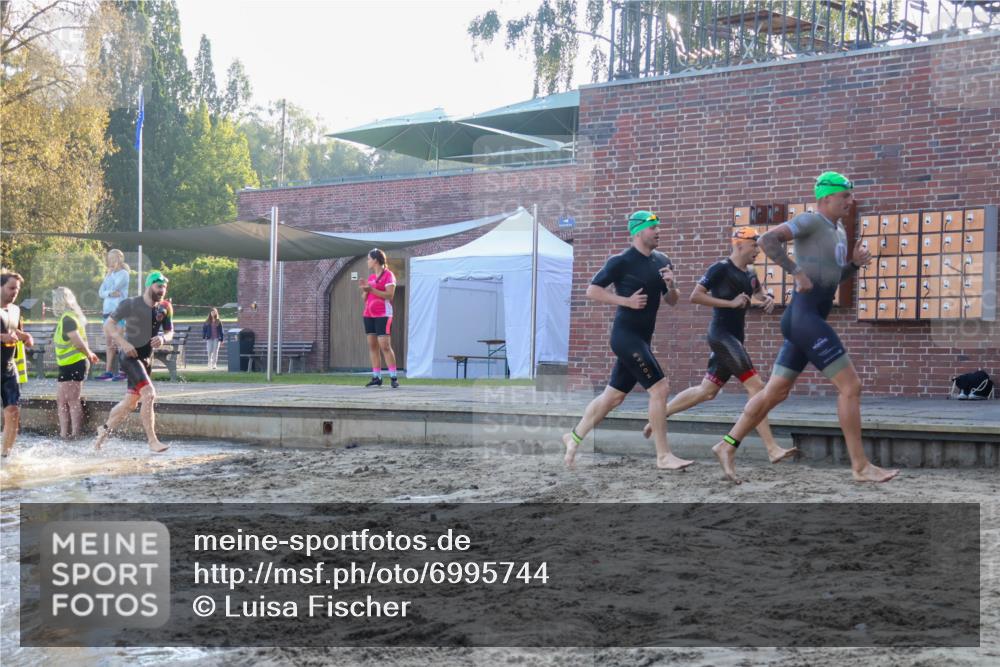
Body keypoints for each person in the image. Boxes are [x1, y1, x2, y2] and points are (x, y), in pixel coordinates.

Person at [711, 172, 899, 483]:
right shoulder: (810, 220)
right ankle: (860, 466)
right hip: (804, 318)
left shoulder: (838, 230)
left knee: (775, 392)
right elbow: (767, 240)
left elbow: (829, 279)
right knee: (850, 387)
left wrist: (853, 265)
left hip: (806, 319)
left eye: (850, 196)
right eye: (845, 196)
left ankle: (726, 445)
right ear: (826, 197)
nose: (850, 201)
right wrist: (796, 272)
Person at [640, 227, 798, 464]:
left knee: (707, 391)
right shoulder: (720, 268)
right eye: (754, 245)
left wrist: (766, 299)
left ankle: (657, 418)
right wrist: (730, 303)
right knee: (757, 387)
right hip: (721, 336)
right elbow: (695, 296)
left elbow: (758, 292)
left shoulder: (751, 272)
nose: (758, 250)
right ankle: (771, 448)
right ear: (739, 245)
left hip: (736, 337)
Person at [562, 210, 692, 470]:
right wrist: (626, 301)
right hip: (625, 337)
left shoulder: (663, 260)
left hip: (643, 337)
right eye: (653, 227)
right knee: (660, 388)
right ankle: (663, 456)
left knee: (613, 397)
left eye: (658, 226)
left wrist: (671, 286)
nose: (658, 231)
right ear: (638, 231)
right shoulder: (621, 261)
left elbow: (672, 301)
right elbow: (592, 290)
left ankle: (573, 437)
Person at [93, 271, 173, 453]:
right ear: (149, 285)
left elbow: (170, 332)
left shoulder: (165, 307)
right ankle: (152, 441)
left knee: (130, 403)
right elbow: (108, 325)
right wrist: (123, 343)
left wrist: (163, 338)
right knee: (149, 394)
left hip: (147, 359)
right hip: (130, 357)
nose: (162, 290)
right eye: (159, 286)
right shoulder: (130, 304)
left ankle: (103, 431)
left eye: (164, 287)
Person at [51, 287, 100, 439]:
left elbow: (77, 342)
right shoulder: (66, 318)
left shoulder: (68, 319)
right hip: (66, 364)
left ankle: (75, 434)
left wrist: (89, 354)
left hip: (75, 363)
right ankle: (64, 435)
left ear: (58, 301)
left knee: (72, 401)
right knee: (61, 400)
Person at [1, 272, 34, 457]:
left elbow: (16, 331)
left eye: (17, 289)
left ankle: (5, 455)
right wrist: (2, 337)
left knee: (13, 410)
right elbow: (6, 334)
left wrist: (26, 337)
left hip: (7, 367)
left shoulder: (15, 310)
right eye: (11, 288)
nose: (15, 292)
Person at [360, 248, 400, 388]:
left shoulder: (389, 275)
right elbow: (364, 298)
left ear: (375, 260)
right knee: (372, 346)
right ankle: (376, 377)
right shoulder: (371, 278)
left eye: (369, 259)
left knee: (385, 346)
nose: (367, 261)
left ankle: (393, 377)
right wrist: (365, 290)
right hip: (368, 314)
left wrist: (372, 289)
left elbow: (390, 295)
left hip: (383, 315)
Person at [96, 249, 130, 380]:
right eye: (109, 259)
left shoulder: (124, 274)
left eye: (113, 259)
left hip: (118, 312)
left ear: (119, 259)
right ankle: (108, 372)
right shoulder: (109, 274)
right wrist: (109, 293)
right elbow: (101, 292)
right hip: (107, 312)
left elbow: (116, 287)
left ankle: (123, 371)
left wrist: (108, 290)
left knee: (119, 341)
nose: (110, 262)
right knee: (109, 343)